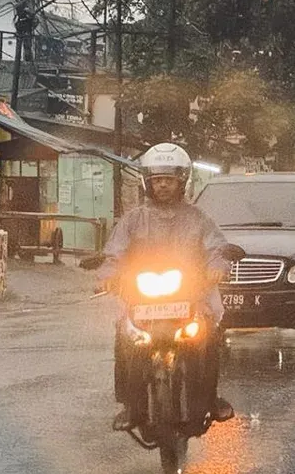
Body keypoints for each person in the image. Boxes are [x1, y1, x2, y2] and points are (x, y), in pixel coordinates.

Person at [99, 142, 235, 431]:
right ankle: (129, 405)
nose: (162, 186)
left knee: (209, 337)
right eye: (157, 180)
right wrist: (110, 271)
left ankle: (211, 399)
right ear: (148, 183)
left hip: (192, 294)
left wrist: (218, 265)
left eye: (168, 180)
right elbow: (115, 251)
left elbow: (216, 248)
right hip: (142, 296)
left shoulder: (199, 219)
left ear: (181, 182)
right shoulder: (133, 219)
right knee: (125, 336)